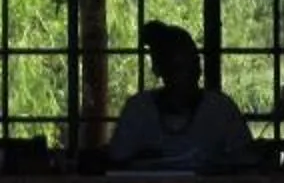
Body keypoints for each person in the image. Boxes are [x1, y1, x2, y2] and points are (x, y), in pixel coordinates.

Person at [107, 21, 255, 172]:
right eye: (177, 68)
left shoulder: (220, 109)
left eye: (193, 64)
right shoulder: (139, 110)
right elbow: (116, 166)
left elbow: (247, 163)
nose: (188, 75)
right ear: (159, 70)